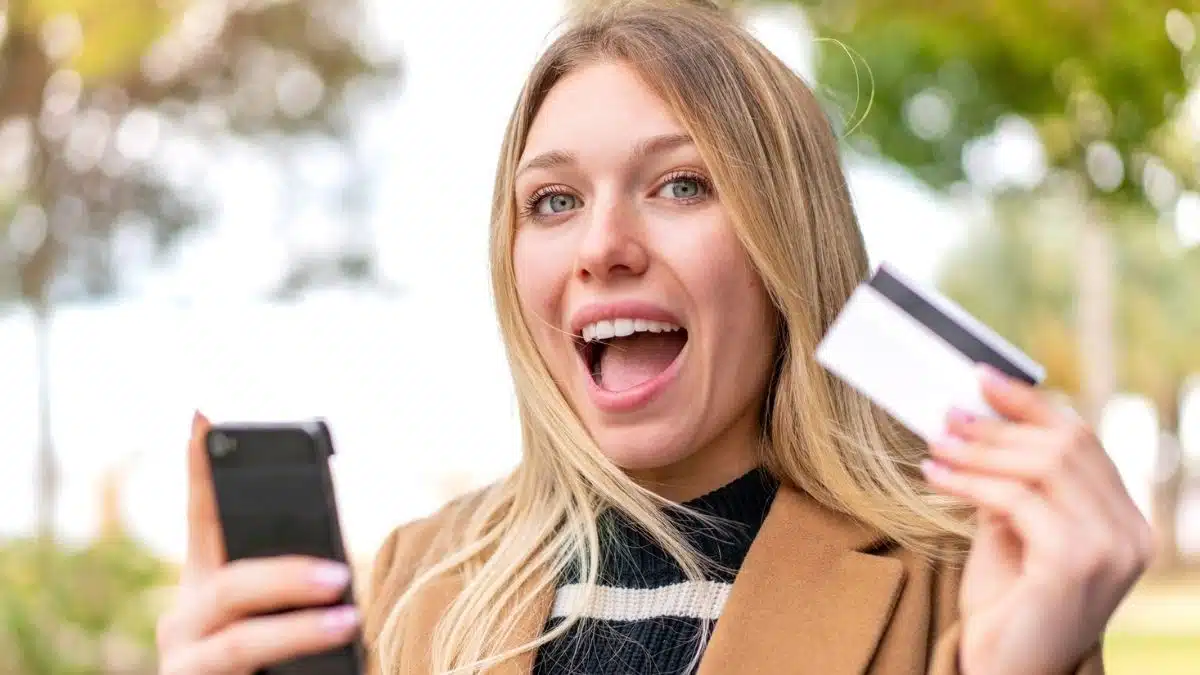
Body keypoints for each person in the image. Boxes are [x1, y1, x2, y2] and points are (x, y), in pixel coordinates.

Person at [155, 1, 1153, 673]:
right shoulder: (418, 584)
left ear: (784, 246)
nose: (602, 246)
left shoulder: (971, 582)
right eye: (551, 201)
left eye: (680, 184)